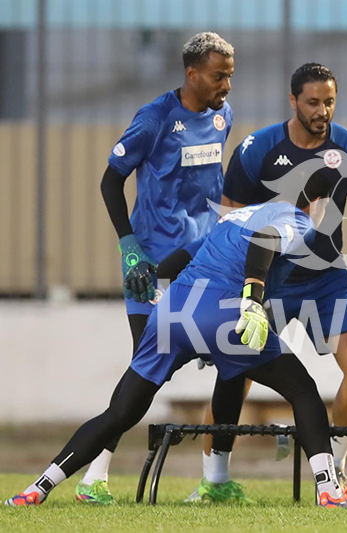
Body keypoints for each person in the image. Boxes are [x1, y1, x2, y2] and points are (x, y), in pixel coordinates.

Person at [6, 174, 347, 509]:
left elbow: (187, 255)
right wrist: (252, 298)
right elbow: (266, 238)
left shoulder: (236, 216)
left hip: (172, 313)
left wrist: (151, 274)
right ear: (320, 200)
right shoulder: (297, 219)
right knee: (302, 390)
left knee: (120, 413)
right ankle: (329, 490)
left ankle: (37, 488)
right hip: (223, 311)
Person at [187, 63, 347, 503]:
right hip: (268, 279)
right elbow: (229, 222)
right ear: (293, 100)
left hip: (326, 279)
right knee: (235, 371)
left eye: (330, 101)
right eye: (313, 102)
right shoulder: (258, 148)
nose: (323, 110)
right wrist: (221, 300)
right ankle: (214, 480)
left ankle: (333, 470)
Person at [80, 32, 234, 504]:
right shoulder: (155, 118)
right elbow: (111, 181)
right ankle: (94, 477)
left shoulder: (224, 116)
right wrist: (129, 247)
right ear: (191, 73)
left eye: (230, 75)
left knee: (235, 363)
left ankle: (217, 481)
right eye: (218, 75)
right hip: (152, 269)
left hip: (204, 264)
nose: (227, 85)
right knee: (144, 374)